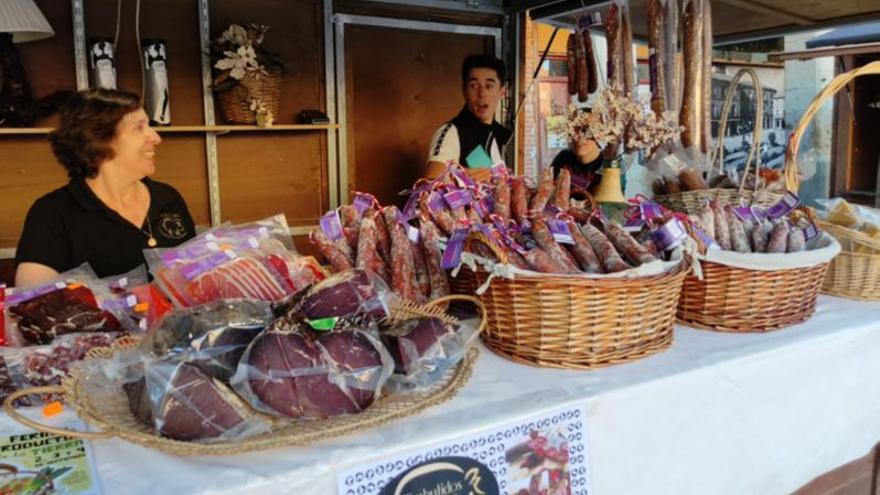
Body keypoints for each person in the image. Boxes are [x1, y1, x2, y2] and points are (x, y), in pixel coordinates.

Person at [15, 89, 196, 287]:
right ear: (99, 138)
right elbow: (32, 298)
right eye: (139, 128)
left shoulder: (167, 196)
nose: (156, 138)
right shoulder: (52, 212)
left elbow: (194, 274)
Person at [426, 54, 512, 182]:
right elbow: (430, 182)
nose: (481, 94)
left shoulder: (500, 135)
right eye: (474, 86)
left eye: (489, 86)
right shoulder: (453, 131)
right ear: (464, 91)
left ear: (502, 92)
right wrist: (460, 179)